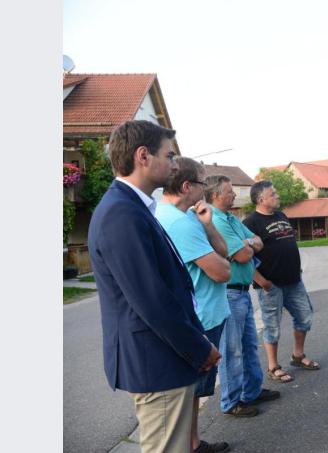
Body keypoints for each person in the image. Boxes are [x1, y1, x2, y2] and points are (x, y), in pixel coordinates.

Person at [88, 120, 220, 453]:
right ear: (143, 156)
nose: (175, 164)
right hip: (156, 361)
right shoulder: (121, 213)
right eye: (169, 155)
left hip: (162, 357)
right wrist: (199, 348)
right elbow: (151, 299)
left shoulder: (133, 207)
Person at [156, 157, 232, 453]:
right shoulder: (175, 222)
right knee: (187, 393)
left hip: (208, 314)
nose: (205, 190)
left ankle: (194, 443)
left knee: (193, 394)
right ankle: (188, 446)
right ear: (187, 186)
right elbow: (222, 270)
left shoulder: (188, 216)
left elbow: (222, 250)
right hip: (200, 319)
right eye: (202, 183)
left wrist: (209, 225)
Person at [207, 175, 279, 417]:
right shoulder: (215, 220)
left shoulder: (230, 218)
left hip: (242, 292)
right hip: (229, 294)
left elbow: (257, 242)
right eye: (229, 191)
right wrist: (247, 244)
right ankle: (231, 401)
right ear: (216, 195)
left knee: (248, 345)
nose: (234, 195)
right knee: (232, 350)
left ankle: (251, 391)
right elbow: (243, 255)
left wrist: (246, 242)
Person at [243, 180, 320, 383]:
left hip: (294, 281)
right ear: (261, 199)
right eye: (273, 193)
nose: (277, 196)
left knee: (305, 317)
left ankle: (298, 355)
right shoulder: (250, 223)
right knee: (272, 326)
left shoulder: (281, 215)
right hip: (270, 285)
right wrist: (261, 281)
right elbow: (244, 258)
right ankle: (273, 366)